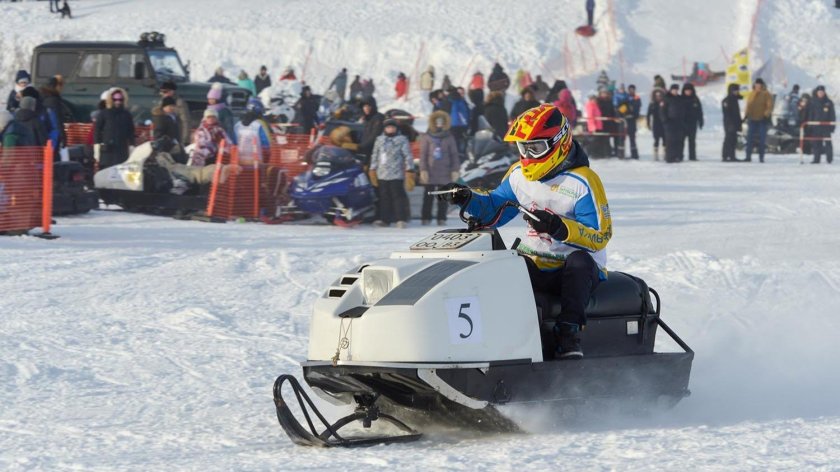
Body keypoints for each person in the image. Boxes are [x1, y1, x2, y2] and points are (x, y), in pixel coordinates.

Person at [438, 105, 611, 359]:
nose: (528, 156)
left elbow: (600, 236)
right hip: (537, 263)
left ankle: (569, 334)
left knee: (579, 262)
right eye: (523, 148)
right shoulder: (519, 176)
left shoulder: (583, 182)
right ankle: (493, 340)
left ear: (558, 143)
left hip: (575, 270)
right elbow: (494, 210)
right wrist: (466, 198)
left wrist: (559, 227)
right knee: (502, 266)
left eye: (535, 148)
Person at [369, 119, 414, 228]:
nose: (390, 129)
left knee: (398, 196)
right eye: (388, 127)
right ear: (384, 129)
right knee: (384, 197)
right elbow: (375, 155)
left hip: (396, 173)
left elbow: (407, 155)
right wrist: (372, 169)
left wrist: (409, 170)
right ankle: (384, 219)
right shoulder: (379, 140)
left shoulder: (402, 140)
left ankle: (401, 219)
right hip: (382, 173)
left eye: (392, 127)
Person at [419, 111, 460, 225]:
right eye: (437, 122)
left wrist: (455, 170)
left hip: (445, 172)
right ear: (433, 123)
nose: (439, 125)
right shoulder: (427, 137)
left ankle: (441, 218)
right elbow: (423, 155)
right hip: (430, 172)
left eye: (441, 123)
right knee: (428, 197)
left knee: (443, 197)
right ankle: (425, 217)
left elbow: (454, 154)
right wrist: (423, 170)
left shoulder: (449, 137)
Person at [95, 88, 135, 169]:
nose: (118, 101)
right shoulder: (104, 113)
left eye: (120, 99)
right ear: (111, 99)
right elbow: (97, 130)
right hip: (107, 150)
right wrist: (97, 146)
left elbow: (131, 131)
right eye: (115, 99)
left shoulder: (126, 114)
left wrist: (131, 146)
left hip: (121, 150)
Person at [744, 78, 773, 163]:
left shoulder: (766, 94)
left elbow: (770, 106)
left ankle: (761, 157)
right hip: (752, 119)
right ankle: (748, 156)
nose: (758, 86)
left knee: (762, 140)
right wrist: (746, 115)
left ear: (762, 85)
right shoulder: (751, 94)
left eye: (759, 84)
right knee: (749, 139)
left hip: (761, 120)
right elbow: (748, 105)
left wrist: (766, 115)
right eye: (756, 84)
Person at [235, 98, 271, 165]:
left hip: (239, 160)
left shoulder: (237, 125)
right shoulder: (259, 124)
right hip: (257, 161)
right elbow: (267, 143)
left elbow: (234, 142)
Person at [152, 95, 185, 162]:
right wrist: (167, 141)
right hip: (166, 147)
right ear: (164, 107)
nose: (171, 108)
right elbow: (159, 133)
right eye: (168, 106)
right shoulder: (160, 118)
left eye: (173, 106)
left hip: (174, 146)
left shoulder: (174, 117)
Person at [807, 85, 835, 164]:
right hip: (816, 126)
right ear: (817, 93)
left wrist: (832, 126)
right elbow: (810, 114)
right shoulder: (813, 102)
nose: (820, 94)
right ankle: (816, 159)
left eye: (822, 92)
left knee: (828, 143)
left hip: (826, 126)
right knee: (816, 143)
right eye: (819, 92)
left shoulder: (828, 102)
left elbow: (832, 115)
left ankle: (829, 159)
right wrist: (810, 125)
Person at [159, 81, 191, 147]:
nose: (163, 94)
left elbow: (185, 121)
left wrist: (185, 140)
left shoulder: (179, 102)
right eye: (161, 92)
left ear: (172, 91)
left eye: (165, 91)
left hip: (177, 137)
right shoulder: (162, 102)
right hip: (165, 136)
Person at [660, 84, 686, 163]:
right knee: (670, 140)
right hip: (670, 122)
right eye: (674, 90)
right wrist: (665, 121)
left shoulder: (680, 98)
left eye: (676, 90)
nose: (675, 91)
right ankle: (669, 157)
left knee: (679, 140)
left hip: (679, 122)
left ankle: (678, 156)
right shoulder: (666, 98)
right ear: (671, 90)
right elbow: (662, 111)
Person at [357, 97, 385, 168]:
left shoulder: (378, 118)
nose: (366, 108)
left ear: (373, 106)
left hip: (374, 154)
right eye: (364, 106)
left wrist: (360, 147)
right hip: (365, 152)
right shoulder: (366, 119)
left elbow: (375, 136)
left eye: (368, 106)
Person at [682, 83, 703, 161]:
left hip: (693, 123)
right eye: (686, 90)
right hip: (683, 123)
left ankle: (692, 156)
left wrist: (701, 121)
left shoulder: (695, 99)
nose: (688, 92)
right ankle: (680, 155)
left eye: (689, 90)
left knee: (692, 141)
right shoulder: (681, 99)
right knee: (681, 141)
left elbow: (699, 111)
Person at [721, 83, 742, 162]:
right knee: (728, 139)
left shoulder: (735, 99)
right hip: (729, 123)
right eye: (735, 90)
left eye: (737, 90)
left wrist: (739, 122)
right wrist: (730, 124)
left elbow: (737, 113)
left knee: (733, 140)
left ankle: (732, 155)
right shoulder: (727, 100)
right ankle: (725, 156)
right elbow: (727, 114)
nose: (736, 92)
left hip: (735, 123)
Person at [596, 87, 619, 156]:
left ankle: (609, 152)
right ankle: (602, 152)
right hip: (600, 122)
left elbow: (612, 111)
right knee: (601, 138)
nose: (604, 94)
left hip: (609, 122)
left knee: (608, 138)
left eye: (605, 93)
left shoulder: (609, 101)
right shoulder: (598, 101)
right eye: (603, 93)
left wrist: (614, 118)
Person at [448, 87, 471, 154]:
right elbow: (466, 114)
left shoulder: (451, 103)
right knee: (461, 144)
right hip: (461, 126)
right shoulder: (461, 102)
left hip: (454, 127)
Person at [623, 85, 641, 159]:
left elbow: (637, 108)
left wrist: (633, 115)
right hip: (625, 120)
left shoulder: (637, 98)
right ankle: (622, 154)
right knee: (622, 138)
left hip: (632, 120)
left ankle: (634, 154)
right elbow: (621, 107)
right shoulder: (626, 97)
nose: (631, 91)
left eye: (632, 89)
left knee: (632, 138)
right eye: (630, 89)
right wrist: (624, 113)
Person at [647, 89, 666, 160]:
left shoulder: (664, 103)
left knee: (665, 140)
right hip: (656, 124)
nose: (658, 97)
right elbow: (648, 115)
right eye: (657, 95)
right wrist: (648, 124)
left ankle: (665, 154)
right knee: (656, 140)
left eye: (660, 95)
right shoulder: (652, 104)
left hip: (664, 124)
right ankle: (655, 155)